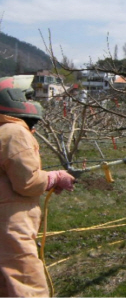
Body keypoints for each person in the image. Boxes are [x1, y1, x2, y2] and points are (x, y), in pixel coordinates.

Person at [0, 86, 75, 297]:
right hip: (11, 223)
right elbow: (27, 182)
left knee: (6, 285)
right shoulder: (14, 132)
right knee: (27, 283)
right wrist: (55, 177)